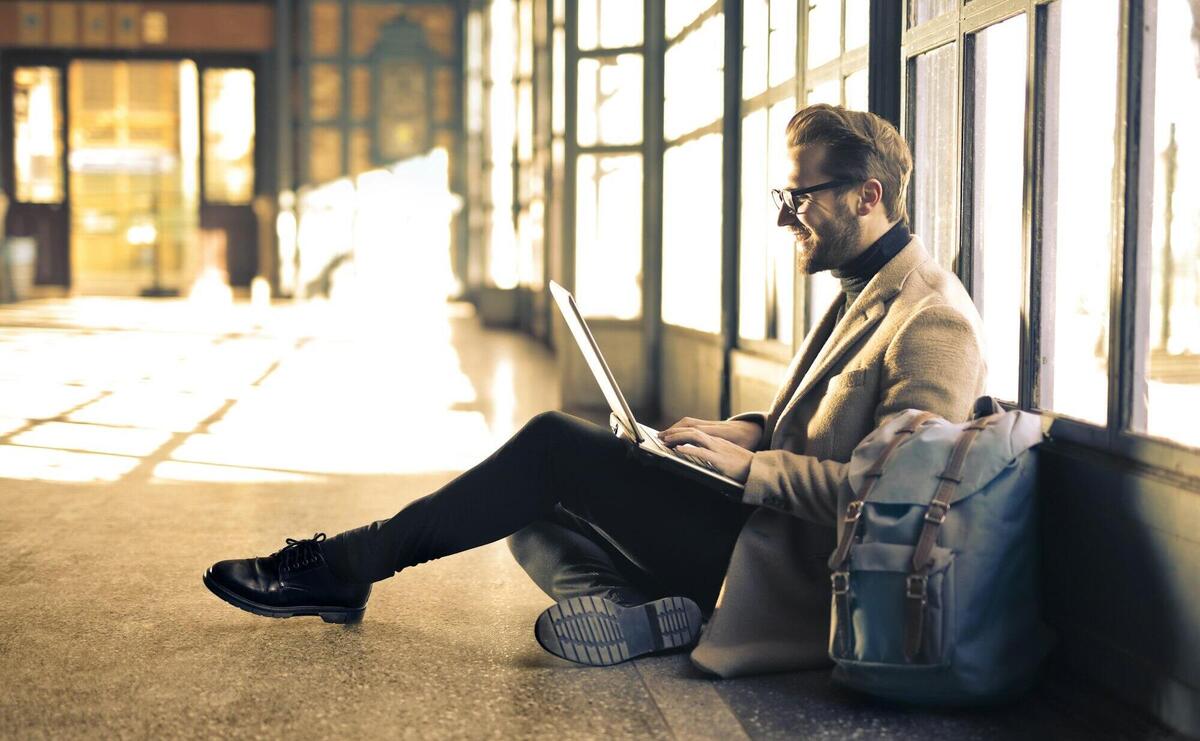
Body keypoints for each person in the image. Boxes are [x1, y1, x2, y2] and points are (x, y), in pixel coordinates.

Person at [203, 104, 985, 675]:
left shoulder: (931, 319)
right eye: (783, 199)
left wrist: (746, 470)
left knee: (550, 445)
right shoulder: (865, 285)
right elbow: (820, 424)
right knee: (519, 512)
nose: (787, 218)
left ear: (868, 195)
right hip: (751, 527)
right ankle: (634, 613)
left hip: (787, 570)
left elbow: (896, 504)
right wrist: (741, 432)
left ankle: (347, 563)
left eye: (800, 197)